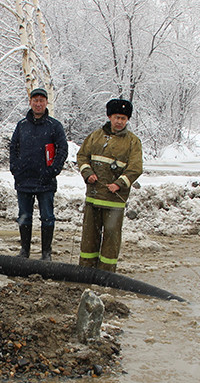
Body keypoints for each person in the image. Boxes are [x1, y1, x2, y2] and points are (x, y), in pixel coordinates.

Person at [76, 98, 142, 272]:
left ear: (127, 120)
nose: (119, 121)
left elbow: (135, 168)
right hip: (93, 198)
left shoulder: (132, 142)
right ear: (109, 117)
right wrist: (88, 173)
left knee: (111, 242)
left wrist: (119, 184)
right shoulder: (95, 136)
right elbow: (82, 156)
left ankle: (106, 274)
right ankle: (85, 271)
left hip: (114, 202)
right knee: (89, 239)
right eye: (116, 117)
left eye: (123, 118)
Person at [9, 87, 67, 261]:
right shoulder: (21, 126)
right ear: (30, 102)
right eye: (35, 100)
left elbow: (62, 149)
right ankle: (24, 251)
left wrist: (53, 171)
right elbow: (13, 148)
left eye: (42, 100)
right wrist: (15, 169)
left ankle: (46, 253)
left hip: (45, 181)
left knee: (47, 217)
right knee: (24, 216)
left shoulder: (54, 126)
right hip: (24, 180)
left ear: (46, 103)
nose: (38, 104)